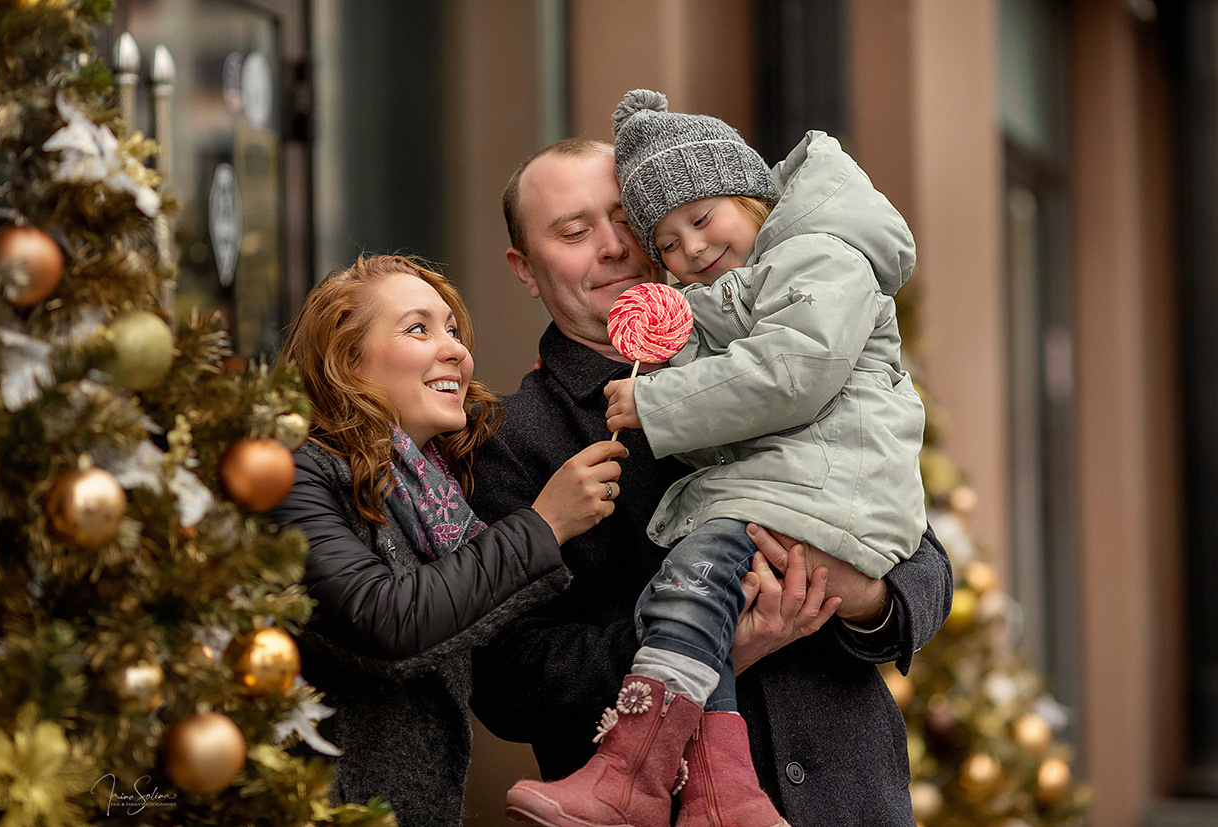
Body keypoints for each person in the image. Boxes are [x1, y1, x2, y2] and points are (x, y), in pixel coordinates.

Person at [470, 133, 953, 827]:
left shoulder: (781, 338)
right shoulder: (514, 438)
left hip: (851, 801)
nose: (612, 246)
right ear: (524, 267)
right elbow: (506, 678)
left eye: (629, 221)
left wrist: (863, 595)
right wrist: (711, 640)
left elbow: (925, 561)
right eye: (575, 232)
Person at [268, 254, 627, 825]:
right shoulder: (292, 472)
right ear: (346, 360)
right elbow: (382, 620)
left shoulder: (436, 494)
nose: (456, 350)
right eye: (418, 329)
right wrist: (543, 526)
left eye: (453, 330)